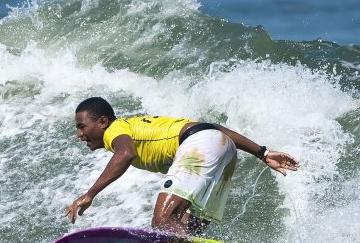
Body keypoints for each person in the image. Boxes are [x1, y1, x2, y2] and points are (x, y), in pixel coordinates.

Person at [66, 97, 300, 235]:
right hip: (222, 146)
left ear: (103, 122)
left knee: (161, 222)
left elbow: (126, 153)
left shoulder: (115, 131)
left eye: (82, 126)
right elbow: (211, 128)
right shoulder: (134, 126)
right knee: (188, 226)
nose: (79, 134)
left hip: (200, 145)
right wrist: (262, 153)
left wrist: (90, 194)